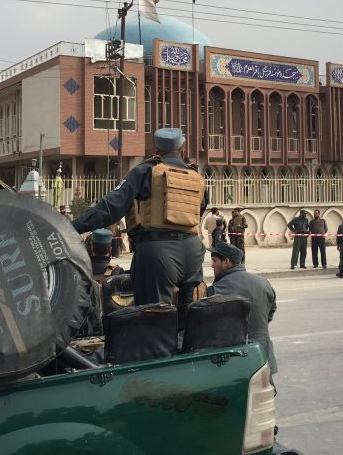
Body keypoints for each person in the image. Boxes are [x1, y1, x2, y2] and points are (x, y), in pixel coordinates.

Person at [70, 127, 208, 320]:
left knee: (155, 318)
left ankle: (160, 348)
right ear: (182, 150)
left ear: (156, 149)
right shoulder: (196, 176)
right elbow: (199, 211)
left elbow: (110, 207)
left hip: (158, 252)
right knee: (187, 316)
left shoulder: (146, 170)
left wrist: (72, 227)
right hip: (193, 252)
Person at [206, 241, 277, 375]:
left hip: (234, 363)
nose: (212, 265)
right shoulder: (263, 282)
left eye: (214, 260)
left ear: (227, 262)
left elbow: (209, 330)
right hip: (262, 358)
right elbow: (270, 311)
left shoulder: (216, 290)